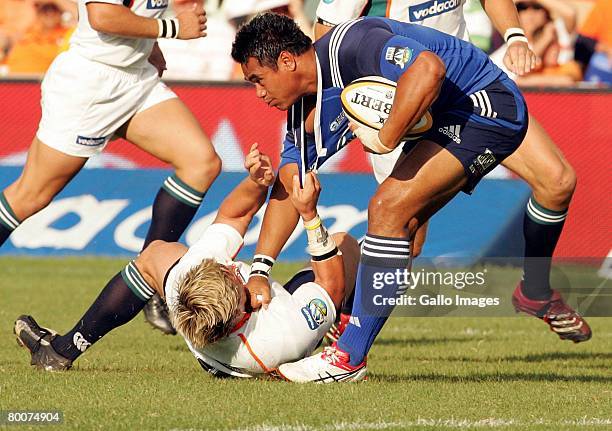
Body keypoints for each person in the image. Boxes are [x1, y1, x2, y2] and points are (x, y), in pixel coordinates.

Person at [231, 13, 592, 383]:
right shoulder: (302, 116)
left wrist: (385, 138)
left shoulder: (352, 44)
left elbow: (428, 68)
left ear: (287, 61)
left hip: (484, 105)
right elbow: (291, 184)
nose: (258, 93)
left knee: (389, 208)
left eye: (258, 79)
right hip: (444, 118)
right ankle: (348, 332)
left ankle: (348, 358)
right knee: (405, 232)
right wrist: (260, 269)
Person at [14, 145, 360, 377]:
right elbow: (332, 284)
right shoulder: (282, 334)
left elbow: (233, 216)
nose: (231, 267)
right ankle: (342, 331)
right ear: (247, 304)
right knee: (345, 246)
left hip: (210, 339)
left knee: (154, 257)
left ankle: (63, 350)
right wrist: (309, 215)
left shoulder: (192, 277)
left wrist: (256, 184)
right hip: (267, 351)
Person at [0, 0, 219, 334]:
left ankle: (151, 280)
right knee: (29, 195)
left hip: (135, 79)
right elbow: (102, 16)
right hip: (91, 84)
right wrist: (173, 29)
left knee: (201, 163)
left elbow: (140, 9)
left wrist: (151, 45)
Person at [4, 0, 72, 75]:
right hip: (12, 82)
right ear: (37, 12)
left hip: (43, 83)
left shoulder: (68, 34)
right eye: (45, 9)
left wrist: (57, 1)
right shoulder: (26, 32)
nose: (50, 13)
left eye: (54, 9)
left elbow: (81, 17)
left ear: (61, 11)